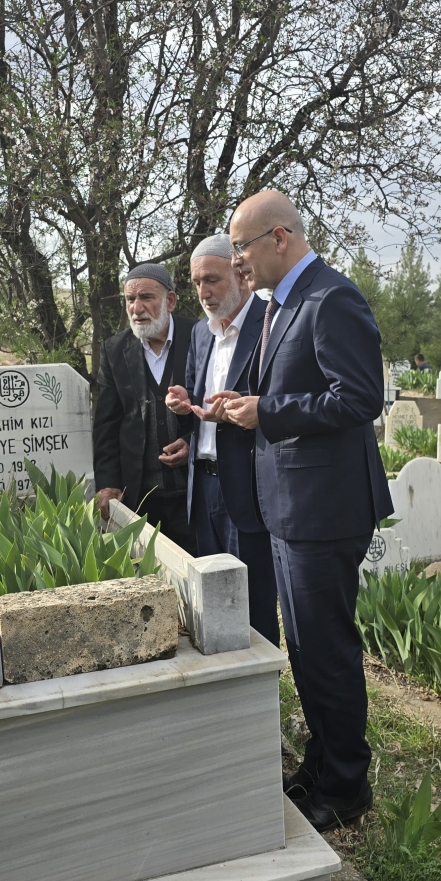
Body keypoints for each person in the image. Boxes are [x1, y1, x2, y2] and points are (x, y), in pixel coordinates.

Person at [208, 190, 393, 832]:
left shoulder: (330, 298)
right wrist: (233, 406)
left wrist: (268, 411)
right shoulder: (280, 305)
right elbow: (283, 390)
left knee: (326, 648)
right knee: (306, 649)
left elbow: (360, 398)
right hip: (290, 508)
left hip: (326, 509)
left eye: (241, 246)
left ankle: (346, 786)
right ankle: (321, 762)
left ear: (279, 238)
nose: (237, 260)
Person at [166, 234, 280, 646]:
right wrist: (184, 405)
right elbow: (198, 398)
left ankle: (263, 682)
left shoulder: (272, 321)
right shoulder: (201, 332)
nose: (203, 292)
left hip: (249, 486)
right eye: (197, 283)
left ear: (241, 274)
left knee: (254, 603)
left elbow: (279, 402)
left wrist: (240, 411)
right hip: (203, 485)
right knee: (214, 601)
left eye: (212, 280)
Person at [93, 263, 197, 552]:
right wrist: (108, 483)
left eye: (146, 297)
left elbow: (217, 402)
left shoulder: (200, 336)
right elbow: (106, 424)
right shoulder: (115, 350)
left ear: (170, 301)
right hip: (140, 497)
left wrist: (193, 443)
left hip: (197, 494)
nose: (136, 308)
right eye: (130, 299)